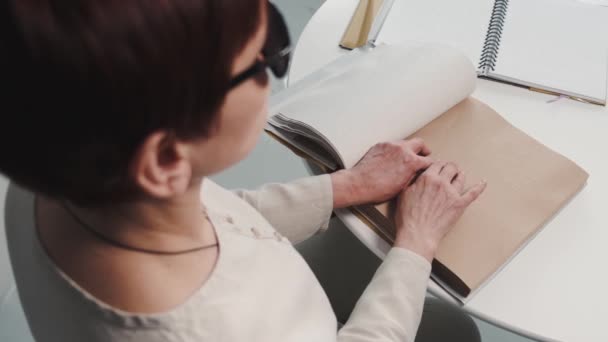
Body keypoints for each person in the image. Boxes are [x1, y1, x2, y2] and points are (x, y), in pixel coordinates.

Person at [0, 1, 486, 341]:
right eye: (263, 62)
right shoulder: (214, 329)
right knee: (459, 330)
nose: (275, 65)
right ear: (166, 159)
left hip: (278, 289)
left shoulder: (67, 169)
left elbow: (217, 214)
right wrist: (416, 243)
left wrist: (345, 185)